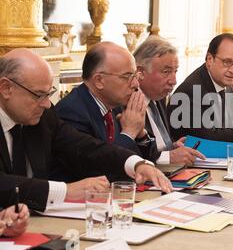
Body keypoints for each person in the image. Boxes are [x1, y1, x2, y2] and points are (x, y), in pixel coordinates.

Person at [0, 49, 172, 212]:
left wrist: (135, 163)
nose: (46, 103)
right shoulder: (71, 109)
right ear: (6, 88)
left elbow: (84, 146)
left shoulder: (42, 115)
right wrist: (66, 191)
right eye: (38, 95)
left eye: (49, 93)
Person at [54, 42, 152, 181]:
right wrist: (129, 133)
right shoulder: (72, 111)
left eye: (136, 75)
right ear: (99, 80)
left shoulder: (116, 103)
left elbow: (145, 161)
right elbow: (99, 172)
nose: (136, 84)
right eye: (127, 76)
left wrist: (140, 134)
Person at [134, 36, 205, 166]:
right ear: (141, 72)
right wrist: (168, 157)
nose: (174, 81)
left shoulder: (159, 98)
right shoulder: (126, 103)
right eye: (166, 72)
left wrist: (171, 147)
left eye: (175, 71)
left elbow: (155, 148)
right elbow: (130, 154)